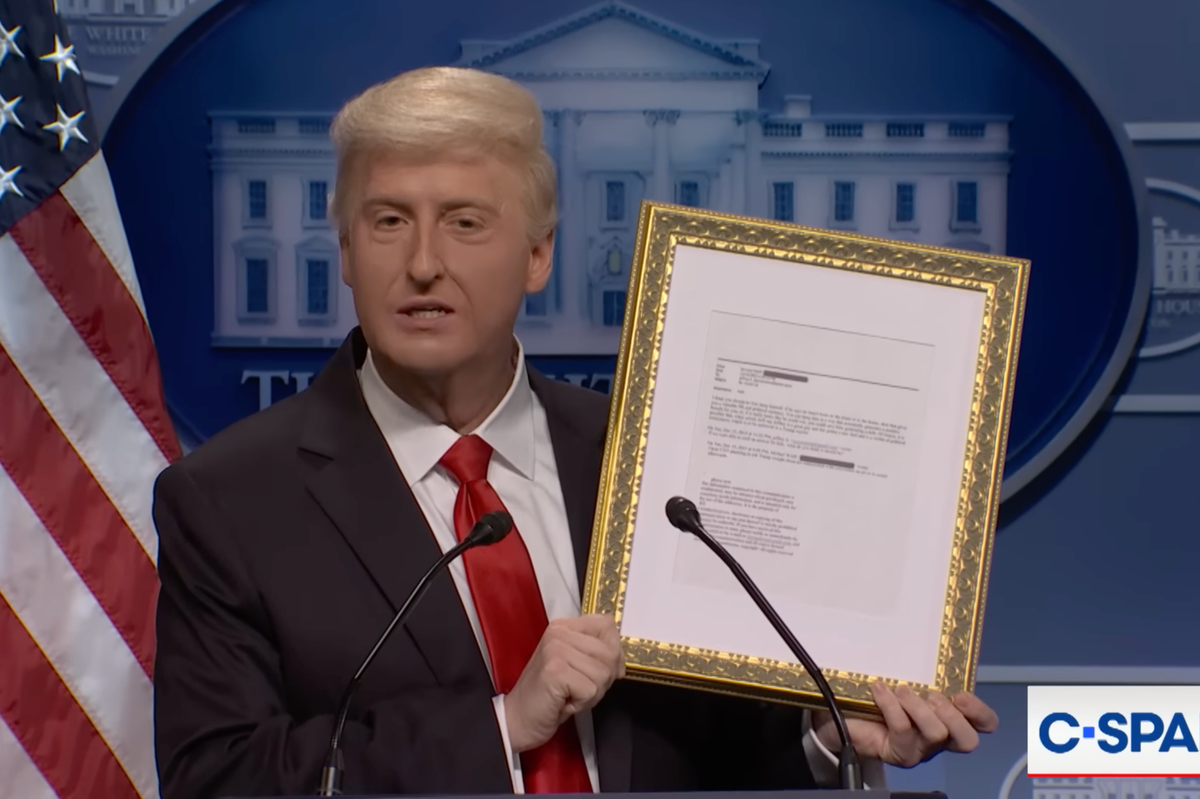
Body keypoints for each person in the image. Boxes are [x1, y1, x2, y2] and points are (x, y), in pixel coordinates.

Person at [151, 66, 998, 799]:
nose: (421, 262)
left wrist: (827, 739)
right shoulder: (231, 499)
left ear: (538, 256)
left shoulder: (657, 463)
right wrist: (499, 726)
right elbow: (217, 778)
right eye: (388, 221)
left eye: (465, 221)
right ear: (344, 250)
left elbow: (723, 750)